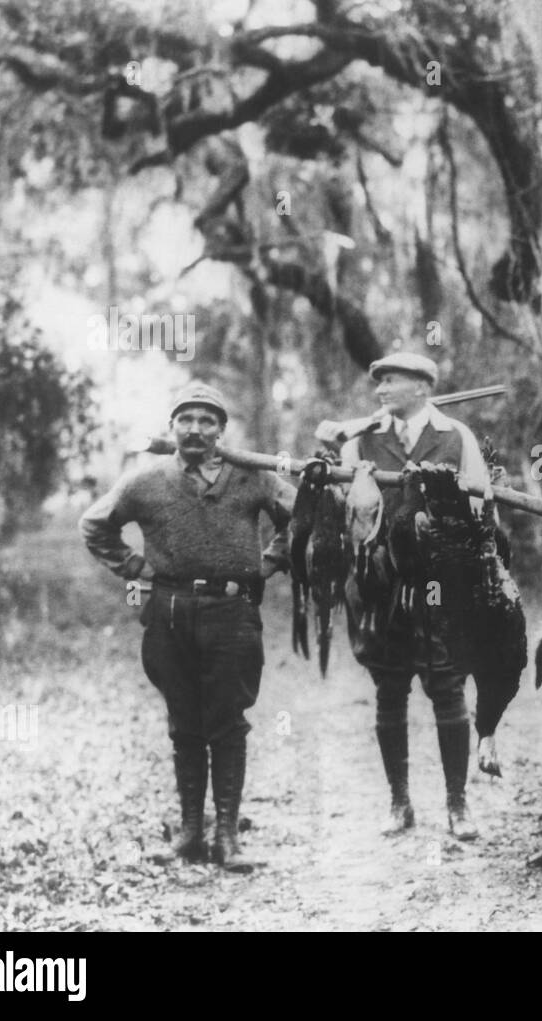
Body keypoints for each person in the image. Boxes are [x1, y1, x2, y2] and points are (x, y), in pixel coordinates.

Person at [81, 382, 294, 873]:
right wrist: (134, 566)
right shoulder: (148, 480)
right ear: (172, 427)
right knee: (184, 723)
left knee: (229, 721)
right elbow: (94, 524)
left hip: (233, 612)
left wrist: (272, 560)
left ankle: (228, 838)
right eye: (186, 420)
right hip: (170, 610)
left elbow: (299, 515)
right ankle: (190, 834)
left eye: (206, 420)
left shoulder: (252, 477)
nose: (196, 429)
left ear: (222, 430)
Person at [316, 352, 491, 841]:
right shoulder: (364, 436)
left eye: (390, 380)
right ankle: (400, 802)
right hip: (379, 586)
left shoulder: (456, 436)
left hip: (441, 586)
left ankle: (457, 804)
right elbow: (337, 506)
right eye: (379, 382)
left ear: (421, 385)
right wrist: (333, 452)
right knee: (389, 690)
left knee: (448, 689)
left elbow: (483, 507)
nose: (380, 390)